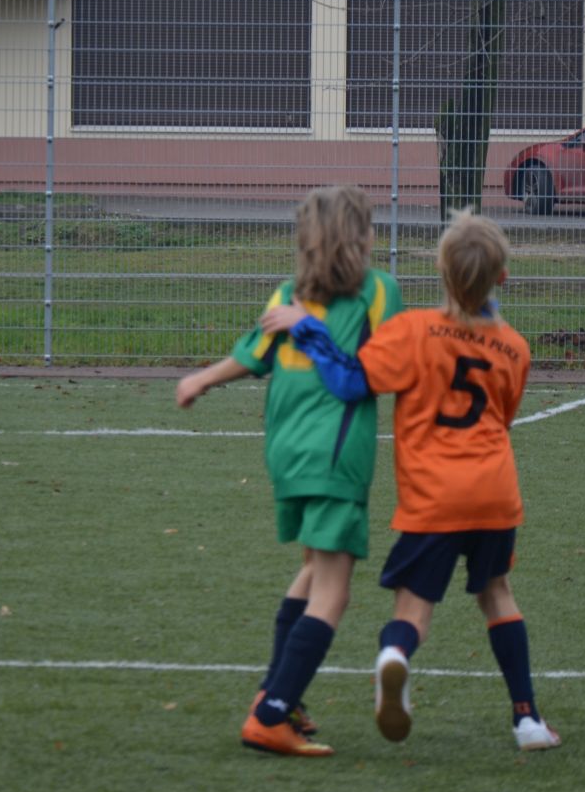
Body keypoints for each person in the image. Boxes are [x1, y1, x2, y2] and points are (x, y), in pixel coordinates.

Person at [262, 209, 560, 751]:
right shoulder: (515, 347)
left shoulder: (413, 330)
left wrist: (308, 328)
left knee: (413, 610)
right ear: (503, 276)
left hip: (434, 498)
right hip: (495, 494)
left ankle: (395, 654)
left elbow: (351, 382)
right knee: (497, 593)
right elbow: (505, 416)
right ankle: (528, 719)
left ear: (441, 272)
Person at [176, 185, 400, 757]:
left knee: (311, 569)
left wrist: (200, 379)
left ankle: (277, 693)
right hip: (335, 456)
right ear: (357, 239)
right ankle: (271, 715)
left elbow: (252, 356)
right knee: (334, 593)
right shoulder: (379, 291)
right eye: (369, 227)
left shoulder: (287, 294)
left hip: (287, 452)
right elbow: (381, 370)